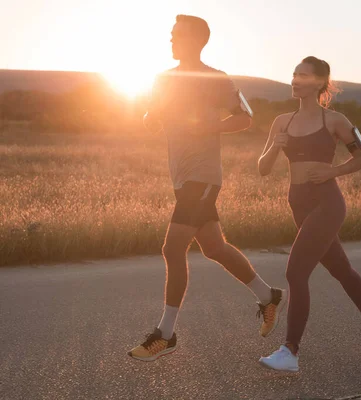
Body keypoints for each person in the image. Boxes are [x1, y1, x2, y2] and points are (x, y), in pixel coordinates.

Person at [127, 15, 285, 362]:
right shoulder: (162, 79)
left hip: (203, 174)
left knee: (172, 249)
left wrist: (208, 126)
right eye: (169, 36)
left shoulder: (215, 79)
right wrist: (150, 118)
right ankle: (268, 295)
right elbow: (154, 115)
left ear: (195, 40)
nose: (170, 41)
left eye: (175, 36)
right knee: (214, 247)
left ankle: (165, 334)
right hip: (181, 175)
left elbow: (244, 117)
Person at [257, 56, 361, 372]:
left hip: (327, 203)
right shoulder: (282, 121)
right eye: (293, 73)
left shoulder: (334, 120)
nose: (294, 79)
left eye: (302, 75)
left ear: (318, 83)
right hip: (298, 202)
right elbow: (263, 168)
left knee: (296, 273)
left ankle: (290, 350)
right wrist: (275, 147)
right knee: (341, 269)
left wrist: (332, 171)